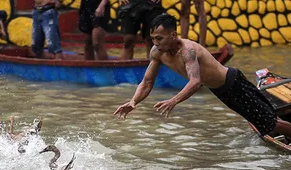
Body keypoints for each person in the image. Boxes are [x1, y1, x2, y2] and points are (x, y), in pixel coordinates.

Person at [113, 14, 291, 140]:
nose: (156, 43)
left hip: (233, 83)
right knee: (266, 121)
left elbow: (196, 81)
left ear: (173, 35)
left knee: (270, 124)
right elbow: (147, 81)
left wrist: (173, 100)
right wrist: (133, 101)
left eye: (159, 38)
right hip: (221, 91)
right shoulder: (157, 52)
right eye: (153, 38)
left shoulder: (187, 51)